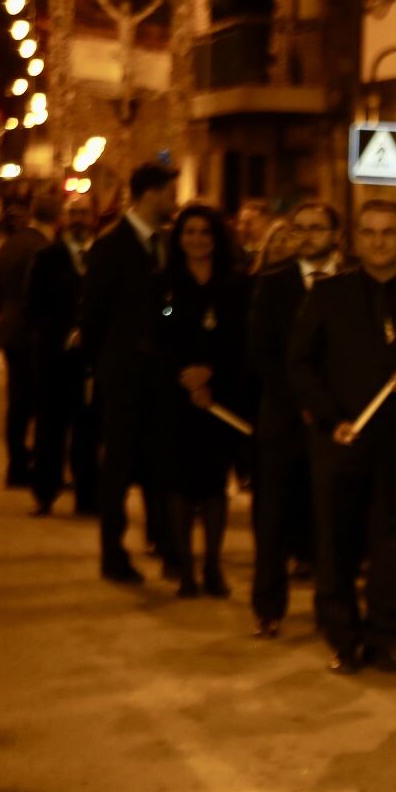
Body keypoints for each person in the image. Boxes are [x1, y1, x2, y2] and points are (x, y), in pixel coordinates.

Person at [288, 201, 396, 675]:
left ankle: (384, 635)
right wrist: (329, 419)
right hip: (341, 439)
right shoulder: (329, 294)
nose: (379, 241)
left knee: (390, 548)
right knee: (336, 544)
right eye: (369, 232)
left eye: (389, 232)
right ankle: (342, 635)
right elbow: (300, 362)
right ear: (355, 240)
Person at [81, 162, 182, 584]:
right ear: (149, 194)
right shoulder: (111, 247)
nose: (173, 201)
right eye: (169, 192)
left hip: (159, 376)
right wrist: (97, 370)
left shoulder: (165, 246)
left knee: (162, 462)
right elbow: (93, 316)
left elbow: (167, 306)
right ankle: (112, 552)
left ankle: (164, 542)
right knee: (119, 466)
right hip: (123, 375)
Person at [246, 201, 343, 637]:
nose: (308, 236)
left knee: (330, 522)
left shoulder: (351, 282)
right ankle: (268, 606)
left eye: (317, 228)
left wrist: (327, 407)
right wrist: (299, 400)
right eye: (300, 229)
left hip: (335, 421)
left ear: (335, 235)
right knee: (272, 518)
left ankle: (332, 610)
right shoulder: (272, 284)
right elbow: (263, 354)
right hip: (283, 420)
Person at [154, 204, 250, 599]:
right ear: (179, 238)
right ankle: (185, 569)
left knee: (213, 484)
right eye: (189, 232)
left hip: (220, 396)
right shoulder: (164, 283)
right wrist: (186, 376)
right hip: (176, 396)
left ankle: (213, 564)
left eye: (204, 233)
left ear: (216, 239)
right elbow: (155, 337)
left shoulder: (234, 284)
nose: (197, 239)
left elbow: (241, 338)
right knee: (179, 483)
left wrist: (210, 373)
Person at [25, 194, 99, 517]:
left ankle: (86, 496)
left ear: (92, 218)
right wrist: (61, 333)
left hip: (89, 361)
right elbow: (34, 307)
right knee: (50, 428)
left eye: (84, 213)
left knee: (88, 430)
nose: (79, 219)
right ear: (64, 220)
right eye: (74, 213)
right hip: (54, 358)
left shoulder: (100, 256)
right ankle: (45, 492)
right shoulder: (48, 257)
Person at [0, 195, 54, 488]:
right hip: (31, 335)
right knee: (34, 404)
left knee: (17, 403)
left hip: (10, 330)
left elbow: (0, 290)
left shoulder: (12, 244)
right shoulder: (43, 249)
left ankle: (17, 463)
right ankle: (25, 465)